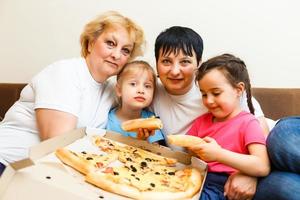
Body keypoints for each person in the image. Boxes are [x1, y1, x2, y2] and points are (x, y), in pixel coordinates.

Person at [0, 10, 145, 176]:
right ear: (90, 43)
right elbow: (57, 144)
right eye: (110, 43)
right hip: (8, 164)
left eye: (126, 50)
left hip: (45, 173)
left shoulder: (111, 92)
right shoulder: (65, 72)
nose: (117, 55)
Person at [138, 26, 270, 200]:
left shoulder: (224, 89)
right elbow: (188, 153)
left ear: (198, 64)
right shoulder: (148, 92)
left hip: (260, 157)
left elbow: (263, 149)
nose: (175, 71)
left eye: (184, 62)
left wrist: (249, 174)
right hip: (202, 176)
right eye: (166, 61)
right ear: (156, 63)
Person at [187, 53, 270, 199]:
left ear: (238, 90)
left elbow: (262, 165)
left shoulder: (248, 123)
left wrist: (218, 154)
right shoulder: (201, 121)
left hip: (226, 185)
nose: (209, 101)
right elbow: (188, 151)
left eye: (216, 93)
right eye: (204, 94)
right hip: (197, 178)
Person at [106, 60, 164, 143]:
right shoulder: (108, 120)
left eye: (147, 86)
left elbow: (157, 152)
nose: (141, 90)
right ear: (119, 90)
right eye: (133, 84)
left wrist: (143, 140)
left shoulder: (151, 120)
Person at [254, 116, 300, 200]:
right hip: (260, 178)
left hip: (281, 132)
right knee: (285, 188)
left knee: (281, 140)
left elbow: (263, 136)